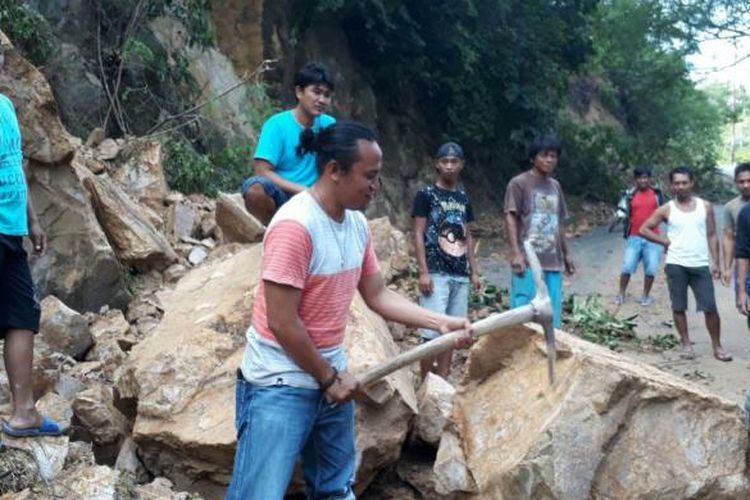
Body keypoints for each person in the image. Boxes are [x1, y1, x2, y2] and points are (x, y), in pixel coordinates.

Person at [226, 122, 472, 499]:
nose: (376, 186)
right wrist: (328, 377)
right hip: (280, 383)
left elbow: (377, 294)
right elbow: (281, 321)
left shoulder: (356, 224)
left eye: (378, 176)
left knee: (335, 490)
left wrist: (440, 322)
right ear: (334, 171)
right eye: (369, 176)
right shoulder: (296, 226)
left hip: (330, 377)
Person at [0, 93, 67, 437]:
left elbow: (16, 166)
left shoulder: (7, 105)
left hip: (11, 229)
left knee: (22, 316)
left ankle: (24, 412)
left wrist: (33, 219)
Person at [640, 166, 731, 361]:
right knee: (679, 306)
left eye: (684, 182)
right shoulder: (667, 209)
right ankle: (686, 344)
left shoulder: (704, 206)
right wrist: (664, 242)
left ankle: (717, 346)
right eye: (676, 183)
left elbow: (712, 234)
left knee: (710, 307)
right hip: (676, 264)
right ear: (671, 186)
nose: (681, 186)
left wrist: (715, 262)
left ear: (692, 183)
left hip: (700, 264)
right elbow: (644, 228)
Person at [412, 142, 481, 379]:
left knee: (452, 334)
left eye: (454, 162)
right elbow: (418, 232)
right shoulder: (426, 195)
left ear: (462, 165)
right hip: (436, 272)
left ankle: (441, 381)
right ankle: (424, 382)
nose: (449, 166)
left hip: (459, 274)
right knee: (431, 332)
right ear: (437, 164)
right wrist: (423, 271)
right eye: (445, 161)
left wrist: (474, 271)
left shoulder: (462, 198)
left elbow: (467, 234)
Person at [240, 62, 336, 225]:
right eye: (316, 92)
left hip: (318, 199)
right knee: (255, 189)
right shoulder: (277, 125)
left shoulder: (330, 125)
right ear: (299, 92)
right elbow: (262, 171)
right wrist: (304, 190)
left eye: (326, 95)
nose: (322, 100)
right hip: (283, 195)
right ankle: (269, 232)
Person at [504, 134, 574, 329]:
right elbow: (510, 216)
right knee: (524, 314)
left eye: (553, 156)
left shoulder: (555, 186)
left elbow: (559, 221)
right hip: (527, 261)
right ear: (533, 157)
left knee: (552, 316)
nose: (549, 160)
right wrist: (516, 252)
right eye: (544, 155)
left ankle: (548, 356)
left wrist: (566, 254)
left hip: (553, 260)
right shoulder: (519, 183)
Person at [614, 166, 664, 306]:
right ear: (635, 179)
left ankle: (645, 296)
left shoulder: (657, 194)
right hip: (634, 236)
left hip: (653, 237)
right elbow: (623, 211)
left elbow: (664, 213)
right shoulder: (630, 195)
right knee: (627, 267)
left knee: (651, 269)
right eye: (640, 177)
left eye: (646, 177)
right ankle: (621, 293)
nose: (643, 180)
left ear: (650, 179)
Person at [721, 162, 750, 294]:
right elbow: (729, 238)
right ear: (735, 183)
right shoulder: (730, 207)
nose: (745, 185)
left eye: (749, 181)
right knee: (743, 304)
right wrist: (727, 267)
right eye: (741, 181)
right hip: (743, 262)